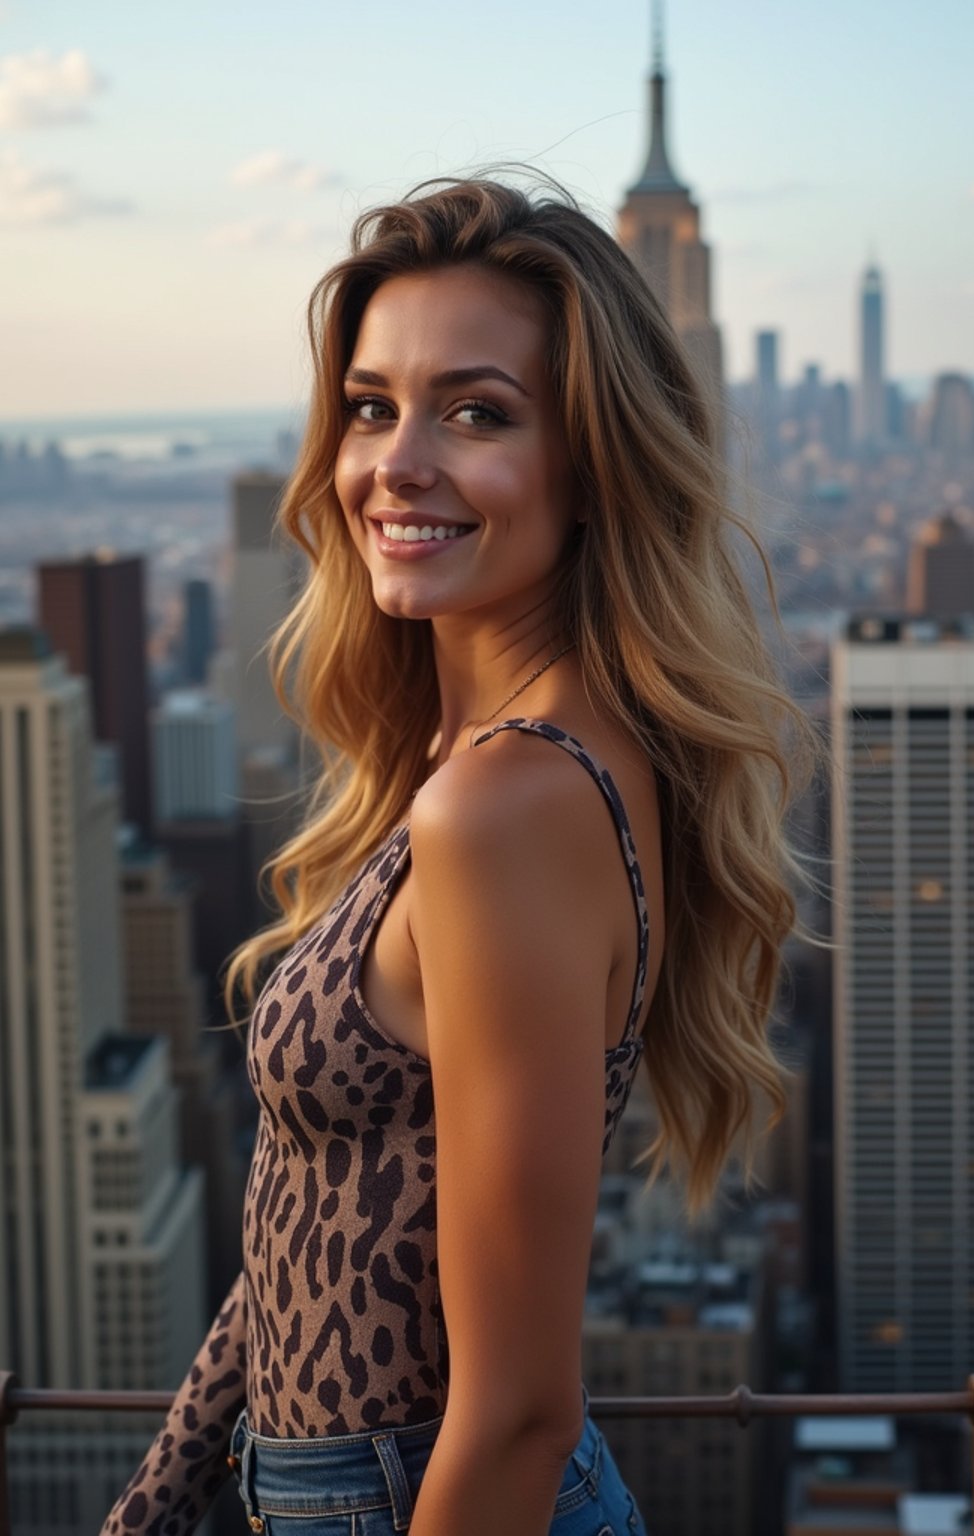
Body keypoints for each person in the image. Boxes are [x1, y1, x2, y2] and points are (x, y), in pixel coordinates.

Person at [101, 174, 813, 1536]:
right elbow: (305, 1213)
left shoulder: (508, 803)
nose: (396, 463)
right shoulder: (480, 758)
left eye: (476, 413)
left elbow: (520, 1413)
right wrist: (158, 1500)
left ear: (591, 463)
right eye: (371, 408)